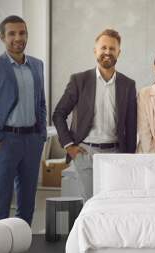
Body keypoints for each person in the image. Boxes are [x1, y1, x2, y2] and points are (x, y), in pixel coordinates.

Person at [0, 15, 47, 225]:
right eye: (12, 33)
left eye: (22, 33)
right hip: (5, 141)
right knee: (1, 201)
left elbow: (41, 103)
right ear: (2, 37)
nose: (18, 38)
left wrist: (41, 135)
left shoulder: (38, 65)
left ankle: (21, 242)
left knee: (28, 200)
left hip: (32, 141)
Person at [52, 29, 137, 201]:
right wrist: (69, 145)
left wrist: (129, 158)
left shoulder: (128, 84)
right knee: (90, 204)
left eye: (112, 49)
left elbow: (131, 124)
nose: (107, 52)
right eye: (103, 48)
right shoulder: (79, 80)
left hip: (116, 154)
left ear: (118, 52)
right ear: (95, 51)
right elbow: (59, 114)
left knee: (114, 203)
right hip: (85, 152)